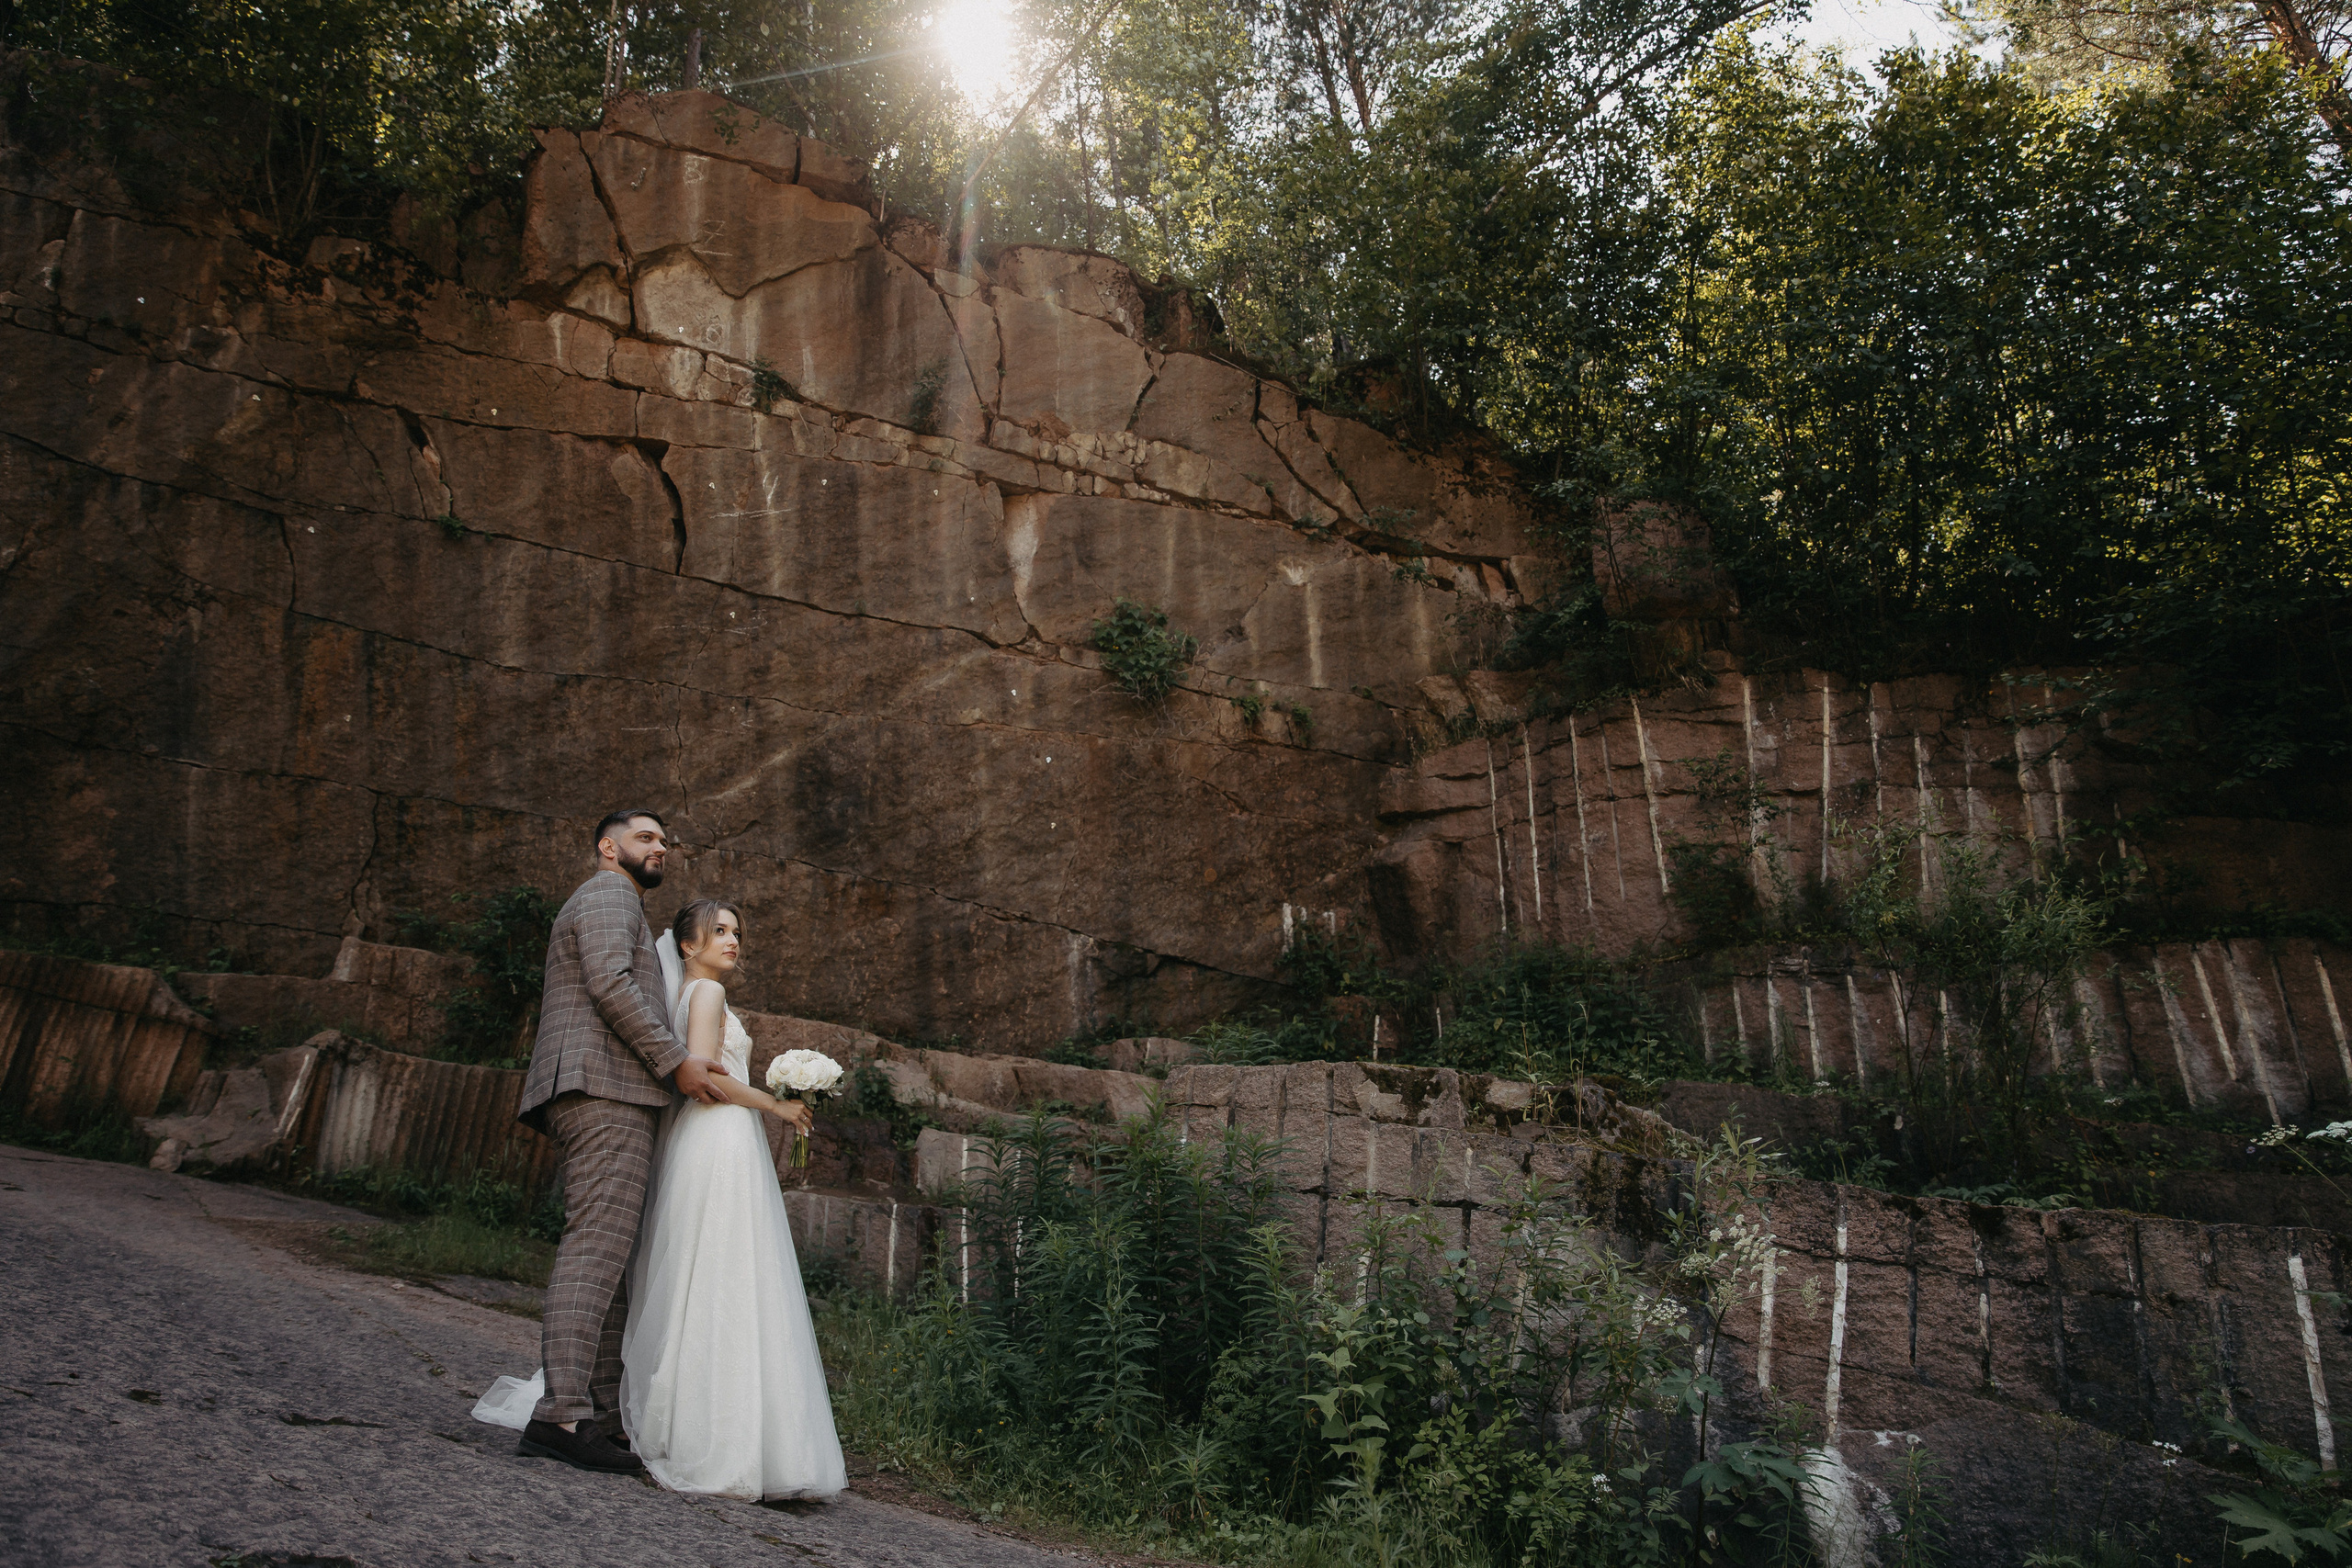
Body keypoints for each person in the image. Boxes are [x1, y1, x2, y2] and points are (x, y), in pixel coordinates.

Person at [505, 808, 732, 1474]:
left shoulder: (622, 901)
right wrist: (676, 1060)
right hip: (602, 1087)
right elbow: (609, 980)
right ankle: (560, 1416)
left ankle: (600, 1418)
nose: (659, 847)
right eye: (644, 837)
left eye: (664, 840)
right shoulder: (607, 892)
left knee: (611, 1256)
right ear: (609, 847)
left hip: (609, 1090)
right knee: (595, 1247)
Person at [621, 898, 845, 1501]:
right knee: (729, 1276)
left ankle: (708, 1425)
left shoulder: (687, 995)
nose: (733, 940)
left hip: (715, 1139)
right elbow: (705, 1077)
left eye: (737, 932)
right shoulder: (707, 996)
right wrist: (776, 1103)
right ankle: (729, 1441)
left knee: (709, 1275)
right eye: (718, 931)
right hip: (719, 1139)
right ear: (686, 945)